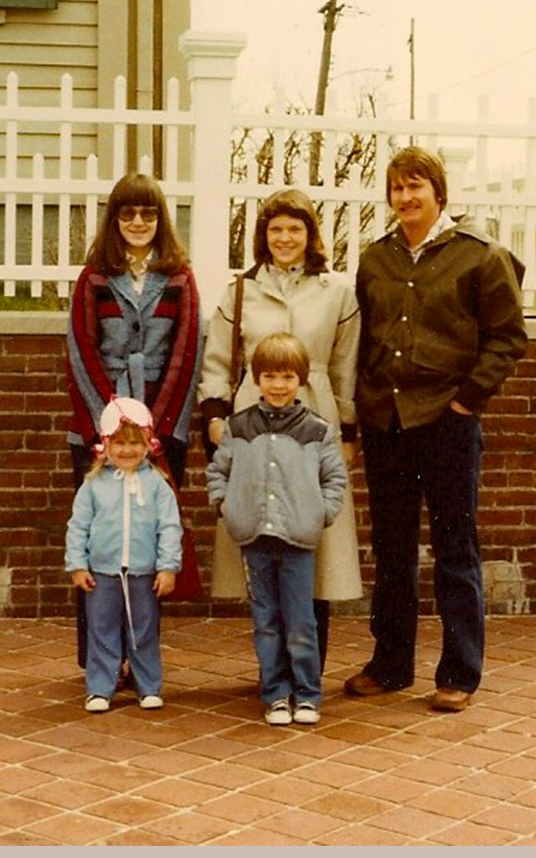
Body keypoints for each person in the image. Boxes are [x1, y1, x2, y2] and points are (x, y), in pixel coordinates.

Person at [344, 146, 527, 712]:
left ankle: (459, 672)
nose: (405, 198)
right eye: (397, 189)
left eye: (415, 187)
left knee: (454, 547)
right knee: (392, 549)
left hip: (448, 425)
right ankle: (391, 662)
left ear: (438, 193)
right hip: (387, 424)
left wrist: (468, 402)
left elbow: (508, 338)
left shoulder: (481, 257)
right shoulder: (376, 259)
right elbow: (363, 339)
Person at [198, 188, 361, 670]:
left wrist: (348, 432)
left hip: (314, 423)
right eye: (275, 230)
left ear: (310, 235)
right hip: (255, 422)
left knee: (314, 539)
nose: (285, 238)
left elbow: (345, 366)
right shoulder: (242, 291)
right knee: (265, 539)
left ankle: (308, 666)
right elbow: (218, 360)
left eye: (295, 228)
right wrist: (214, 414)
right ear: (262, 237)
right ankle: (274, 668)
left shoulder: (337, 294)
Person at [67, 173, 203, 674]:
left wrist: (155, 428)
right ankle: (100, 661)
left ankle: (139, 661)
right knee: (100, 545)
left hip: (161, 432)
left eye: (148, 214)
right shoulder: (94, 278)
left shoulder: (180, 278)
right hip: (99, 429)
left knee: (147, 548)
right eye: (128, 214)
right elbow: (81, 351)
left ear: (160, 219)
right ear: (114, 220)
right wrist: (113, 420)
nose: (139, 223)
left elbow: (187, 352)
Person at [206, 333, 347, 726]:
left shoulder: (317, 430)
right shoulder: (239, 427)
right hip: (254, 537)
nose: (278, 386)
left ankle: (307, 693)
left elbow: (334, 479)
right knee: (266, 621)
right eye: (269, 376)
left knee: (301, 620)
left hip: (299, 538)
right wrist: (225, 505)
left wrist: (321, 512)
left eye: (287, 377)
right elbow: (218, 471)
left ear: (300, 380)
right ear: (256, 379)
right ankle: (275, 693)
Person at [65, 398, 182, 712]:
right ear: (106, 444)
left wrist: (167, 567)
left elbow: (170, 527)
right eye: (119, 443)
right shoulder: (92, 485)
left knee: (142, 630)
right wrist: (77, 563)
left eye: (135, 443)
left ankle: (148, 686)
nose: (127, 450)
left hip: (144, 573)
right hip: (102, 572)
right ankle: (100, 687)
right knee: (101, 630)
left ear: (148, 443)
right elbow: (78, 526)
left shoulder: (157, 484)